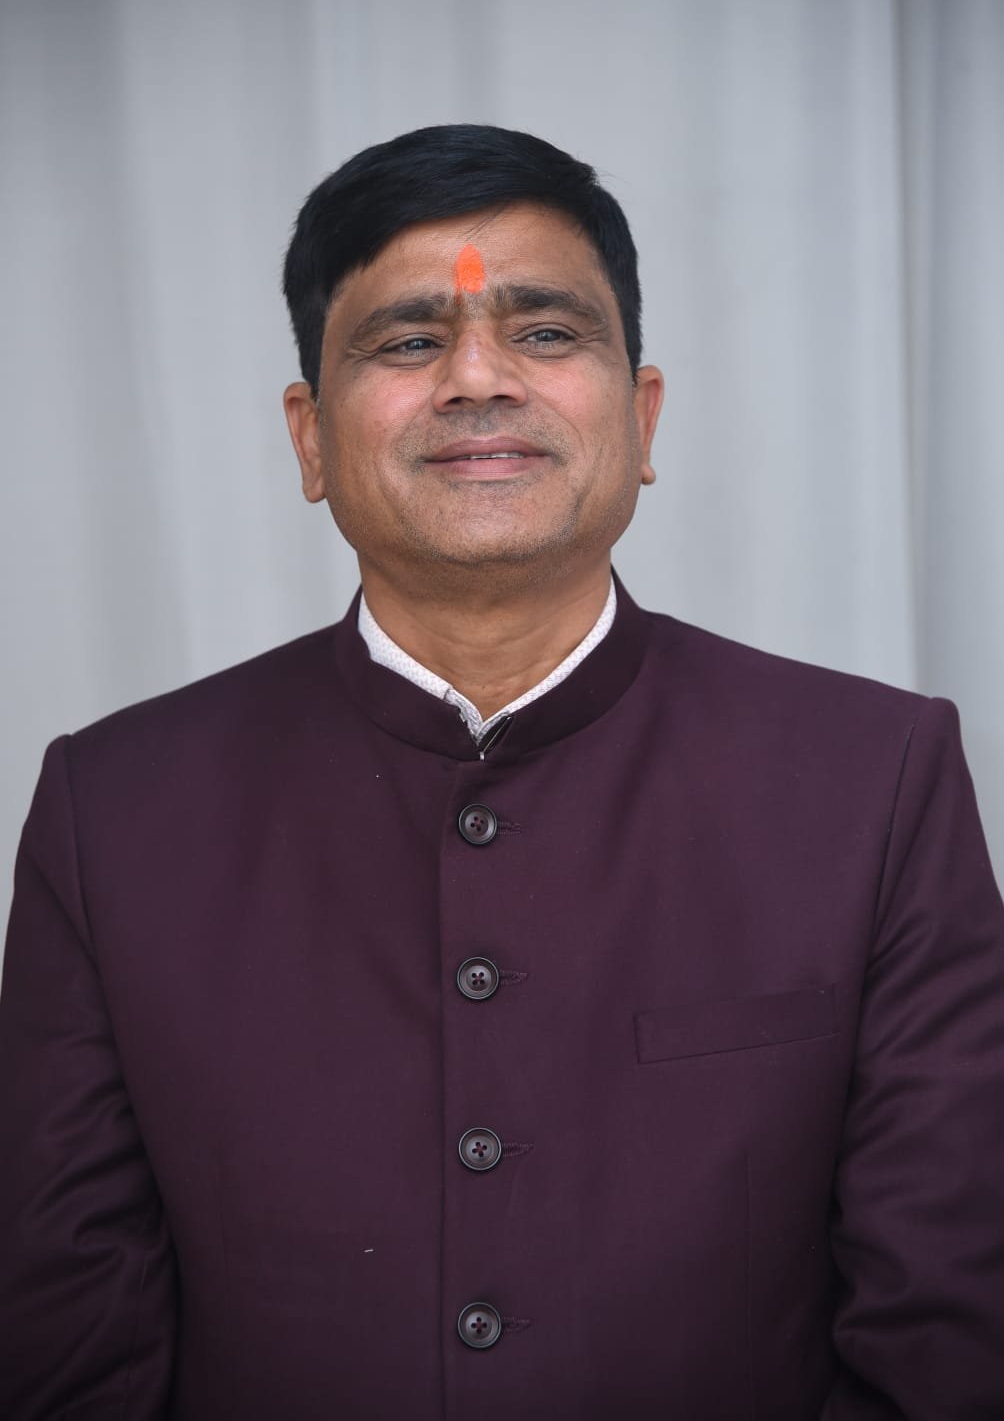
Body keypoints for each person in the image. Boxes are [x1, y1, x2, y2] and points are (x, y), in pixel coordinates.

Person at [1, 124, 1002, 1421]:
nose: (478, 377)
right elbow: (69, 1349)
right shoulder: (116, 814)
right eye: (409, 341)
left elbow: (946, 1333)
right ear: (310, 440)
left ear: (642, 418)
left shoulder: (873, 782)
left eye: (545, 332)